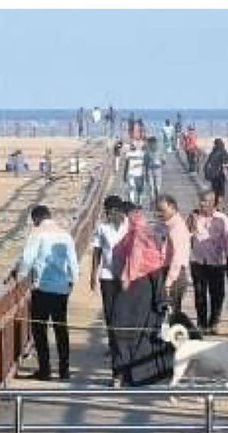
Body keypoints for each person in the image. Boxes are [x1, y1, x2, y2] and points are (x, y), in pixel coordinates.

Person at [9, 205, 79, 381]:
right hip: (62, 288)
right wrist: (71, 281)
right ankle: (64, 369)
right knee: (61, 328)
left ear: (36, 219)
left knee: (40, 330)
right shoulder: (65, 234)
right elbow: (73, 262)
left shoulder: (37, 233)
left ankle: (45, 369)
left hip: (43, 288)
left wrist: (19, 276)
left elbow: (27, 259)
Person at [109, 205, 174, 387]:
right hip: (146, 288)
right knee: (140, 331)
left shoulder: (134, 237)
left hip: (131, 287)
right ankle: (138, 373)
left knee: (122, 329)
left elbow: (132, 260)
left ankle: (121, 374)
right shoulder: (149, 239)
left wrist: (126, 277)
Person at [90, 195, 129, 381]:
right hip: (107, 277)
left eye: (112, 210)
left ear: (119, 211)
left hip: (127, 278)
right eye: (107, 211)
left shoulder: (130, 226)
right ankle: (115, 349)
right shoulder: (102, 228)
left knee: (124, 318)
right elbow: (97, 251)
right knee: (110, 316)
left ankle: (123, 360)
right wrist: (93, 275)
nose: (109, 213)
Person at [188, 189, 228, 333]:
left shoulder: (222, 219)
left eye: (206, 201)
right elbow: (186, 236)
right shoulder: (194, 217)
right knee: (200, 294)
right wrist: (192, 223)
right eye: (201, 201)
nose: (203, 204)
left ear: (214, 203)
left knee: (217, 294)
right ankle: (202, 324)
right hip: (198, 261)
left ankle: (214, 322)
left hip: (216, 262)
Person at [156, 194, 191, 316]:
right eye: (158, 210)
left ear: (172, 207)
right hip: (165, 271)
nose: (160, 214)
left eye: (162, 210)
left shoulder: (177, 228)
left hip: (174, 275)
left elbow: (177, 258)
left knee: (172, 312)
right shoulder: (164, 225)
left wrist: (168, 282)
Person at [122, 140, 147, 206]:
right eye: (132, 145)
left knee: (138, 189)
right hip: (133, 174)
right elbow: (126, 165)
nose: (132, 146)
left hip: (139, 174)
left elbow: (146, 165)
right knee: (133, 188)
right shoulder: (129, 154)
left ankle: (138, 202)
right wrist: (124, 174)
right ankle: (134, 203)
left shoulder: (142, 154)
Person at [143, 136, 165, 208]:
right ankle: (154, 202)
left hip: (153, 169)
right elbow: (163, 160)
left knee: (154, 187)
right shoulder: (156, 150)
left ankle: (154, 202)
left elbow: (145, 163)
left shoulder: (148, 150)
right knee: (154, 187)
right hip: (155, 169)